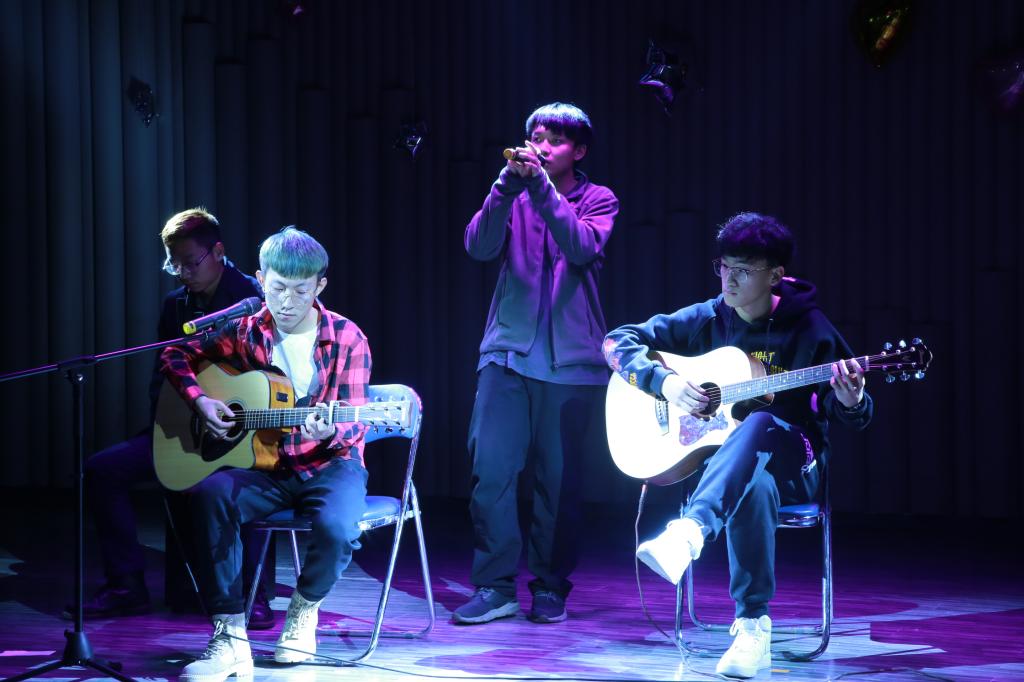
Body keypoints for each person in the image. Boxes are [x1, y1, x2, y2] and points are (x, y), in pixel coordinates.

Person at [603, 212, 873, 679]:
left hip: (796, 463)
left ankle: (690, 531)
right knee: (754, 485)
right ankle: (752, 627)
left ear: (775, 275)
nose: (729, 279)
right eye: (724, 267)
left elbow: (852, 412)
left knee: (762, 421)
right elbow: (615, 342)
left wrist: (853, 399)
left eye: (744, 270)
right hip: (734, 476)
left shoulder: (810, 328)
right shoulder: (707, 318)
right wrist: (665, 383)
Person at [161, 226, 372, 681]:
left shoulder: (347, 337)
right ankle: (229, 636)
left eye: (301, 290)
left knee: (338, 527)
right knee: (210, 494)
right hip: (265, 464)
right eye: (277, 289)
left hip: (329, 463)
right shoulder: (244, 329)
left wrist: (331, 427)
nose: (288, 302)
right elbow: (175, 354)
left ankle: (304, 608)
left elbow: (356, 420)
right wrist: (201, 400)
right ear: (260, 280)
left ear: (320, 286)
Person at [455, 102, 619, 625]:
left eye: (556, 140)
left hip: (572, 363)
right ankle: (495, 586)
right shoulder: (513, 194)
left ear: (579, 150)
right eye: (537, 138)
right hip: (506, 355)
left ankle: (550, 586)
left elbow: (580, 246)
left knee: (560, 481)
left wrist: (541, 190)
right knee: (491, 471)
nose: (543, 148)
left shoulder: (599, 199)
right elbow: (479, 246)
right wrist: (504, 188)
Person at [79, 208, 277, 628]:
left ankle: (253, 593)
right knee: (102, 470)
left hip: (242, 436)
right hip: (187, 428)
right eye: (175, 265)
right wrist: (183, 436)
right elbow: (162, 379)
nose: (183, 273)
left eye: (190, 262)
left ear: (218, 252)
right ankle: (126, 586)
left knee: (249, 477)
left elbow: (269, 379)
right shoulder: (176, 305)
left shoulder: (254, 299)